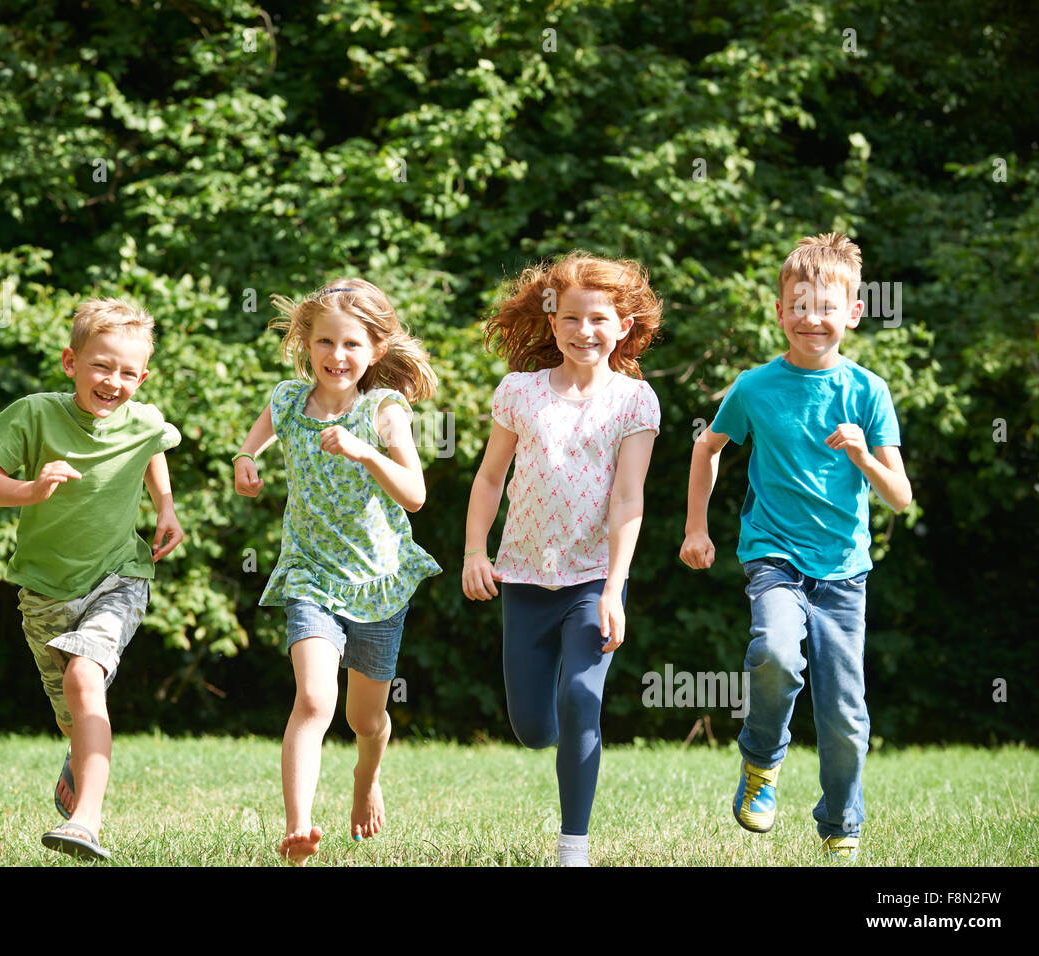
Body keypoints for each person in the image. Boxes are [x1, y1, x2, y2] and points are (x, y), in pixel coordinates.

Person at [679, 233, 912, 862]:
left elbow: (899, 496)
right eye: (800, 305)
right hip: (773, 554)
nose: (814, 318)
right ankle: (761, 761)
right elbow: (708, 448)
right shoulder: (755, 387)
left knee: (844, 716)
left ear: (853, 313)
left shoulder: (869, 392)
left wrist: (863, 453)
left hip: (843, 573)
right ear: (780, 311)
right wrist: (696, 528)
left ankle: (841, 825)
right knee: (776, 652)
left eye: (828, 306)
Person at [463, 252, 661, 867]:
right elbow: (490, 477)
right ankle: (545, 730)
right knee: (532, 728)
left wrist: (614, 588)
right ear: (553, 324)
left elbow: (629, 497)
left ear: (623, 327)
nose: (584, 331)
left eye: (599, 319)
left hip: (593, 579)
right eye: (572, 319)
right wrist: (475, 549)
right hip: (522, 577)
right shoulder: (519, 392)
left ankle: (573, 845)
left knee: (581, 696)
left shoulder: (636, 401)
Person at [233, 278, 440, 866]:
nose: (336, 355)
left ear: (374, 350)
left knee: (364, 718)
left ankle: (366, 776)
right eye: (324, 341)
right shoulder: (285, 401)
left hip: (377, 579)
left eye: (351, 343)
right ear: (306, 343)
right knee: (314, 699)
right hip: (308, 573)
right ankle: (298, 829)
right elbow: (255, 443)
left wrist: (367, 452)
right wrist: (247, 462)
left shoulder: (383, 410)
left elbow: (416, 494)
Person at [0, 297, 182, 861]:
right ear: (71, 362)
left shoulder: (145, 417)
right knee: (72, 708)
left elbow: (153, 442)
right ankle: (76, 750)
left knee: (85, 679)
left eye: (128, 372)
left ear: (143, 376)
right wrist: (31, 490)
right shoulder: (35, 413)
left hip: (119, 577)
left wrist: (165, 506)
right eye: (101, 365)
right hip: (44, 591)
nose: (114, 381)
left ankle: (86, 822)